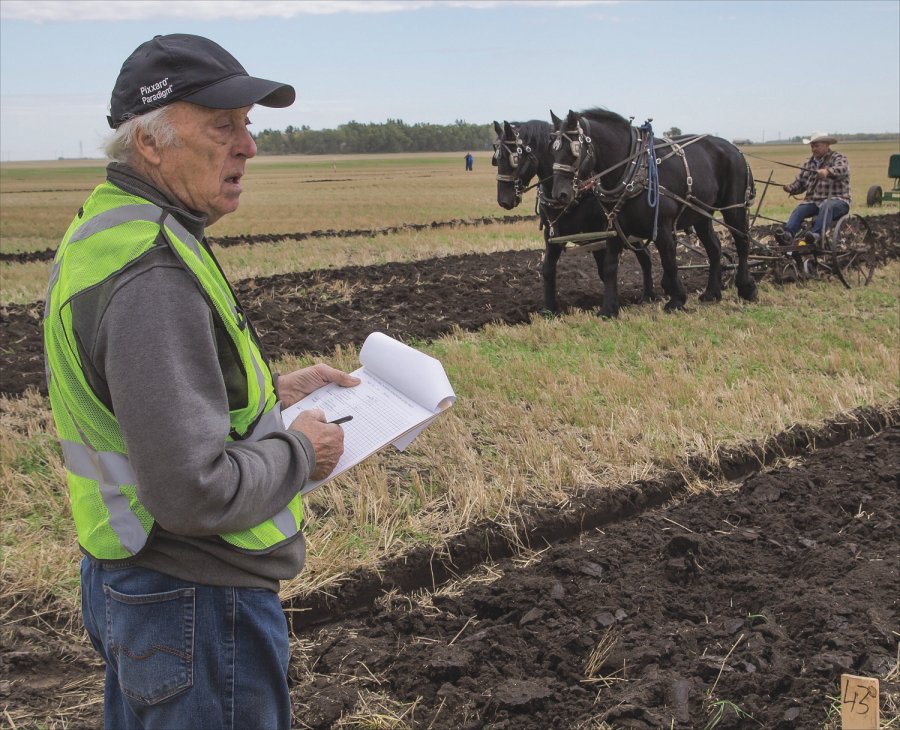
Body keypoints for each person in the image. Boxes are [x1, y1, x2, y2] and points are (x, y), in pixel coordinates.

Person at [42, 33, 361, 729]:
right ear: (151, 144)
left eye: (247, 126)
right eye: (224, 127)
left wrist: (273, 395)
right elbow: (192, 490)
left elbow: (144, 404)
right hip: (193, 600)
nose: (248, 146)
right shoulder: (152, 270)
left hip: (141, 590)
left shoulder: (112, 226)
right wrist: (302, 450)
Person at [776, 131, 851, 245]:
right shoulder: (808, 163)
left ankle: (816, 235)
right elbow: (800, 183)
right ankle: (787, 235)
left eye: (817, 146)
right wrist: (790, 188)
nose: (814, 149)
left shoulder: (838, 158)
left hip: (838, 201)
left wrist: (827, 171)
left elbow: (842, 169)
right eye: (812, 146)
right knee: (799, 210)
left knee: (827, 205)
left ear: (826, 145)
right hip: (814, 202)